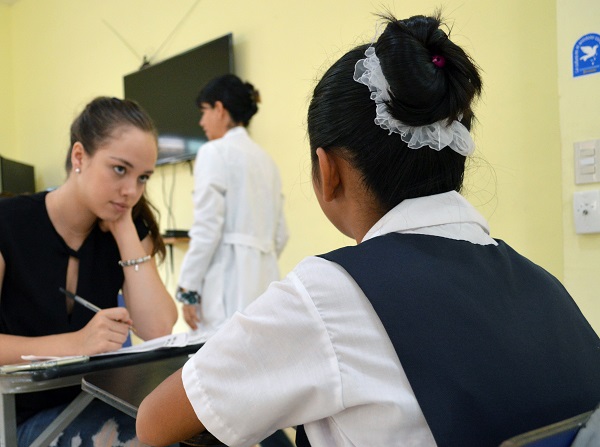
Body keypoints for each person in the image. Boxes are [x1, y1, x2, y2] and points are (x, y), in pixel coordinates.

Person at [136, 12, 600, 447]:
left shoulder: (332, 293)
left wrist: (189, 288)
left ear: (327, 169)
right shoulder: (546, 285)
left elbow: (155, 422)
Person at [0, 96, 179, 446]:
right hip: (20, 414)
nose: (131, 190)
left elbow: (158, 328)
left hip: (101, 401)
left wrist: (124, 224)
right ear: (79, 157)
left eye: (143, 178)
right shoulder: (8, 222)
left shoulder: (124, 227)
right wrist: (77, 343)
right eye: (119, 170)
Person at [175, 74, 288, 339]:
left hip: (226, 286)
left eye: (204, 111)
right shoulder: (267, 161)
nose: (201, 122)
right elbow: (281, 234)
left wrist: (189, 289)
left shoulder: (214, 152)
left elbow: (207, 227)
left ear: (219, 109)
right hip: (266, 283)